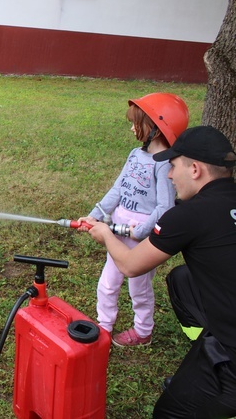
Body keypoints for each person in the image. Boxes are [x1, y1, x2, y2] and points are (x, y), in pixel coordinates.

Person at [83, 125, 236, 417]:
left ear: (195, 170)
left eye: (173, 166)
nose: (168, 175)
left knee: (169, 412)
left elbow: (129, 265)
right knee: (182, 279)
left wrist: (106, 235)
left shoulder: (188, 215)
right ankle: (203, 346)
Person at [78, 93, 189, 347]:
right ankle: (104, 326)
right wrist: (96, 213)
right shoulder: (134, 154)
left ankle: (143, 331)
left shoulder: (164, 165)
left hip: (139, 238)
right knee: (108, 283)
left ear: (155, 128)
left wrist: (142, 231)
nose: (131, 127)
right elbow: (118, 189)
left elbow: (165, 206)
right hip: (117, 233)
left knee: (138, 289)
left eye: (136, 123)